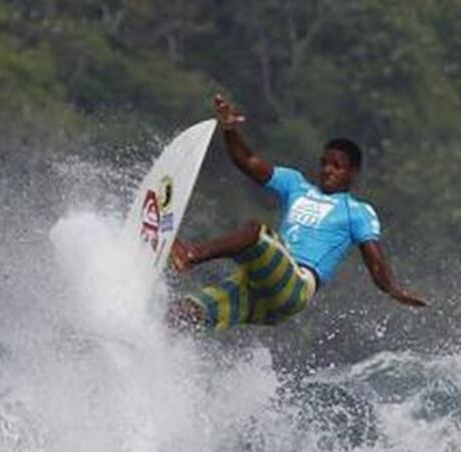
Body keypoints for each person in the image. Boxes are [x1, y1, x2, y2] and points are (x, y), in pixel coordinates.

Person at [170, 94, 427, 328]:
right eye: (324, 163)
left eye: (337, 166)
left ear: (352, 173)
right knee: (185, 313)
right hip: (257, 289)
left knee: (255, 233)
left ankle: (191, 255)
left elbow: (375, 260)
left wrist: (393, 289)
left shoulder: (357, 211)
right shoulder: (296, 184)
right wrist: (229, 128)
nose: (327, 170)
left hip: (294, 287)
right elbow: (247, 162)